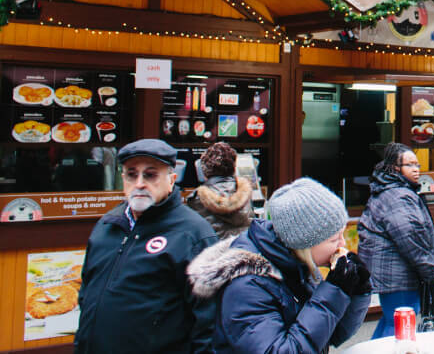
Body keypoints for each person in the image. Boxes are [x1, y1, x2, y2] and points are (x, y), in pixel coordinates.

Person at [188, 177, 371, 353]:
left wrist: (355, 291)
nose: (342, 245)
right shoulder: (247, 284)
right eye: (334, 239)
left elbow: (331, 334)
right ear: (304, 243)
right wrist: (334, 290)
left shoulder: (297, 265)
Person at [75, 139, 218, 353]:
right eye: (132, 174)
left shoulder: (193, 235)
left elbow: (210, 323)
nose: (140, 183)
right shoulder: (106, 226)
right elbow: (86, 295)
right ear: (123, 179)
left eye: (150, 175)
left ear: (171, 180)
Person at [358, 142, 434, 339]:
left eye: (418, 165)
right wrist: (429, 268)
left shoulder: (392, 190)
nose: (416, 170)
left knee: (391, 319)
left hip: (393, 272)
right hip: (399, 274)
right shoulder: (398, 195)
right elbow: (409, 236)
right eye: (410, 165)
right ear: (395, 168)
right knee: (400, 323)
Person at [186, 142, 254, 240]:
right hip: (243, 251)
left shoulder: (195, 198)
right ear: (234, 167)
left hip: (211, 253)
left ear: (204, 170)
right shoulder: (245, 194)